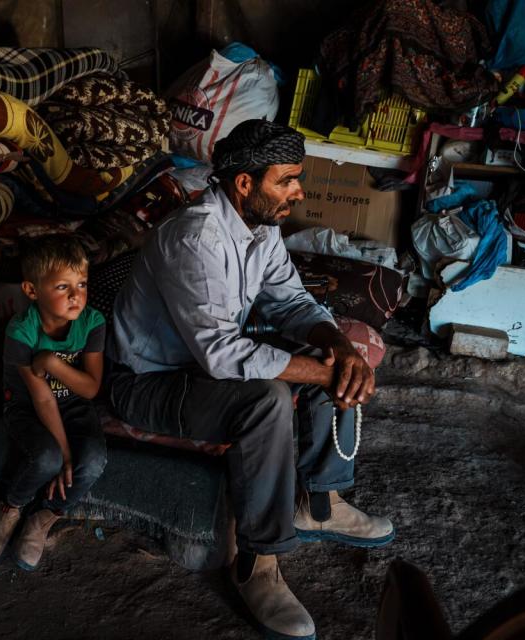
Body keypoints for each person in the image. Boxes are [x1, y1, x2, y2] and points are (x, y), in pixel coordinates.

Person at [107, 119, 394, 640]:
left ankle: (319, 503)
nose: (298, 191)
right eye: (286, 180)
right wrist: (321, 370)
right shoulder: (196, 236)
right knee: (268, 398)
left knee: (334, 353)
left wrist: (339, 351)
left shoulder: (261, 229)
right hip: (147, 383)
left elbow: (290, 300)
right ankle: (258, 561)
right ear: (245, 183)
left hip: (203, 370)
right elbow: (221, 353)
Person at [0, 236, 108, 570]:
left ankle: (46, 515)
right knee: (48, 457)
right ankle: (11, 507)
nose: (76, 295)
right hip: (27, 406)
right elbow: (41, 396)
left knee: (93, 460)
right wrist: (64, 453)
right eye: (63, 287)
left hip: (74, 404)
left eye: (81, 284)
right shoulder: (22, 331)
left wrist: (52, 362)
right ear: (32, 291)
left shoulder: (92, 322)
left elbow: (91, 388)